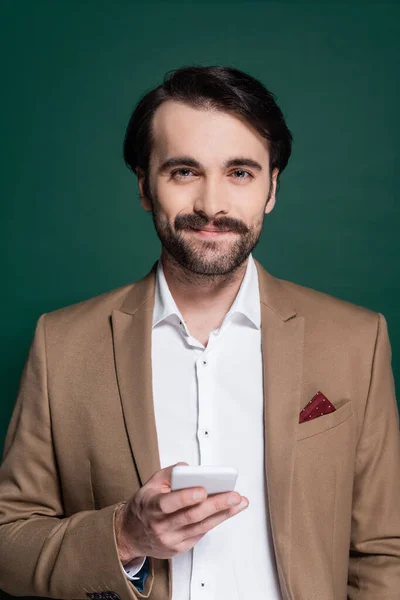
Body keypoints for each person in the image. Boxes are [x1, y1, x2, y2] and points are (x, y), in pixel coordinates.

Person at [0, 65, 399, 600]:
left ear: (271, 188)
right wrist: (122, 536)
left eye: (240, 173)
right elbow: (8, 541)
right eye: (184, 171)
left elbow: (383, 553)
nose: (212, 206)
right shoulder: (61, 344)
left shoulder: (357, 340)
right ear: (144, 185)